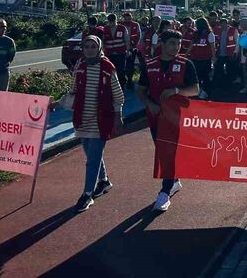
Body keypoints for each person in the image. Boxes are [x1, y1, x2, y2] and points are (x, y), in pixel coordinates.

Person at [50, 35, 124, 213]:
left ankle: (87, 194)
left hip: (101, 119)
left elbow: (117, 93)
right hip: (83, 118)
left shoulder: (107, 67)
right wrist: (57, 104)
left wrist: (118, 115)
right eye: (87, 46)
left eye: (93, 46)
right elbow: (73, 91)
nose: (90, 49)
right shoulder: (80, 66)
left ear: (99, 48)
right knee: (92, 155)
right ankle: (104, 181)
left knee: (92, 160)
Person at [138, 29, 199, 211]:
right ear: (162, 45)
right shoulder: (149, 65)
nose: (176, 47)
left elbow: (195, 89)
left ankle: (164, 192)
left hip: (177, 117)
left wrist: (176, 91)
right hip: (156, 116)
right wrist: (150, 104)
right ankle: (174, 180)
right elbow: (141, 91)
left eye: (179, 44)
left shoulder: (186, 64)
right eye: (172, 43)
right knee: (162, 150)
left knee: (169, 152)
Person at [102, 14, 131, 90]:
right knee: (110, 71)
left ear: (116, 20)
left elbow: (127, 40)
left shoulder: (122, 28)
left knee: (121, 70)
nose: (111, 23)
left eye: (113, 21)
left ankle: (121, 86)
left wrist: (128, 51)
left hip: (120, 53)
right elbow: (103, 41)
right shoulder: (105, 29)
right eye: (110, 22)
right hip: (109, 54)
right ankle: (111, 86)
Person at [190, 18, 216, 100]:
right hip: (195, 58)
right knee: (197, 75)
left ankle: (206, 91)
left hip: (205, 59)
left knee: (205, 75)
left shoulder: (210, 34)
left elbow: (212, 46)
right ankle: (199, 90)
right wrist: (186, 54)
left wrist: (214, 57)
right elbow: (191, 45)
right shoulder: (195, 33)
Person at [121, 12, 141, 91]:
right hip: (123, 48)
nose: (127, 20)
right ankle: (123, 79)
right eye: (126, 19)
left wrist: (134, 46)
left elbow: (138, 36)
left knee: (130, 65)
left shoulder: (135, 25)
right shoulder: (121, 25)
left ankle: (130, 80)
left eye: (129, 18)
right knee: (122, 65)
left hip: (132, 48)